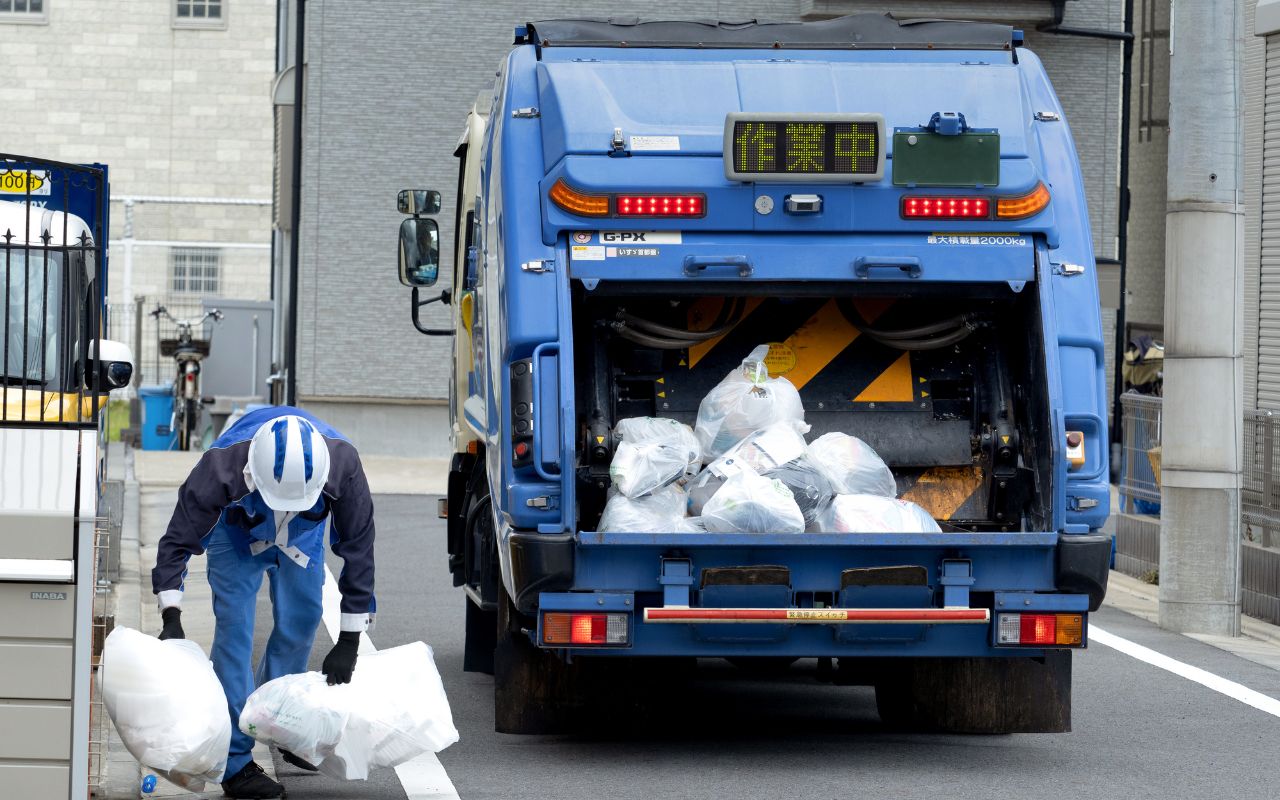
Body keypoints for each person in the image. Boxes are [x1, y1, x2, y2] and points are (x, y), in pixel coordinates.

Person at [152, 406, 376, 799]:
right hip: (236, 532)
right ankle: (235, 764)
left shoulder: (343, 466)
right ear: (253, 473)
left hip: (303, 533)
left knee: (302, 619)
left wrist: (350, 639)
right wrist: (171, 615)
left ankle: (280, 723)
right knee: (234, 632)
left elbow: (359, 551)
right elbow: (177, 540)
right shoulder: (220, 467)